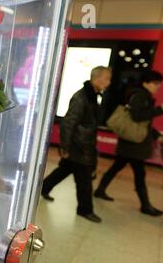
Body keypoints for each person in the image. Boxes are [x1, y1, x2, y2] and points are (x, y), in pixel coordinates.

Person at [41, 66, 112, 223]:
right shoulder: (81, 97)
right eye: (107, 79)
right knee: (84, 181)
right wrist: (65, 147)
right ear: (97, 78)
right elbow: (68, 123)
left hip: (83, 145)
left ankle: (43, 188)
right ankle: (85, 210)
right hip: (78, 147)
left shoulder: (92, 96)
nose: (109, 82)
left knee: (64, 170)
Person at [94, 70, 163, 216]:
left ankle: (100, 190)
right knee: (139, 173)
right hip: (133, 144)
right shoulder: (140, 95)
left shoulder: (141, 95)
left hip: (131, 143)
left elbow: (143, 123)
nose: (158, 87)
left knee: (117, 167)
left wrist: (156, 135)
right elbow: (138, 117)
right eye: (156, 84)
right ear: (146, 83)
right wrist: (160, 110)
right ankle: (145, 205)